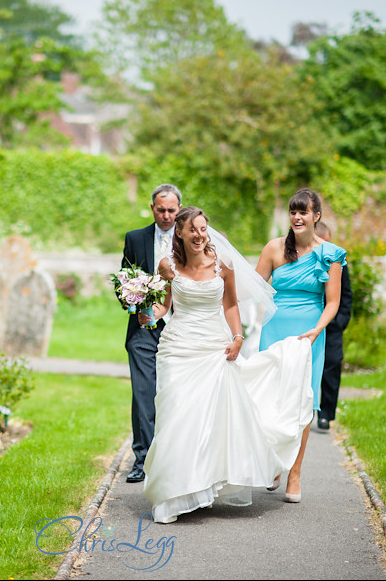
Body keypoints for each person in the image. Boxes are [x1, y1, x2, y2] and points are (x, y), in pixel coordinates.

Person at [140, 207, 314, 523]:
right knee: (177, 414)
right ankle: (173, 492)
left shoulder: (223, 264)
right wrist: (146, 311)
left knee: (207, 419)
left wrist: (237, 337)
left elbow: (231, 304)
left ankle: (200, 485)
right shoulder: (168, 266)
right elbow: (164, 305)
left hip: (214, 348)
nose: (199, 235)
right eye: (193, 230)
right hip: (177, 349)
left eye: (203, 229)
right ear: (179, 232)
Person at [256, 188, 346, 503]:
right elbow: (255, 291)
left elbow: (332, 302)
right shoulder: (274, 249)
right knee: (270, 398)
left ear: (316, 216)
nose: (297, 217)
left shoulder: (331, 254)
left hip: (309, 334)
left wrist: (316, 331)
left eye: (303, 212)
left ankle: (295, 472)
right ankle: (273, 462)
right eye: (293, 212)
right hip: (273, 330)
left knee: (302, 401)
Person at [120, 184, 182, 483]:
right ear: (152, 208)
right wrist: (134, 301)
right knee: (144, 394)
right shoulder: (135, 239)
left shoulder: (193, 237)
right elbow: (124, 281)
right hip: (144, 328)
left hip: (183, 327)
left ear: (179, 209)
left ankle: (175, 457)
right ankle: (142, 459)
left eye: (172, 210)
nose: (167, 215)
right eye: (161, 210)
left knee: (180, 394)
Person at [314, 221, 353, 432]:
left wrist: (341, 320)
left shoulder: (339, 262)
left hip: (334, 325)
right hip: (310, 322)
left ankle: (326, 414)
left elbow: (346, 294)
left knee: (332, 365)